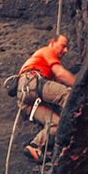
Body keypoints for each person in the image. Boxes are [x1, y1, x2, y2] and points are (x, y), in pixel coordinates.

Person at [18, 34, 74, 162]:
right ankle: (77, 124)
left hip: (25, 99)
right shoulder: (47, 50)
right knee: (68, 95)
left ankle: (34, 146)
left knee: (56, 124)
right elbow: (60, 73)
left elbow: (55, 86)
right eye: (63, 46)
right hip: (32, 82)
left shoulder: (46, 69)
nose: (65, 51)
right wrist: (78, 84)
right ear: (52, 42)